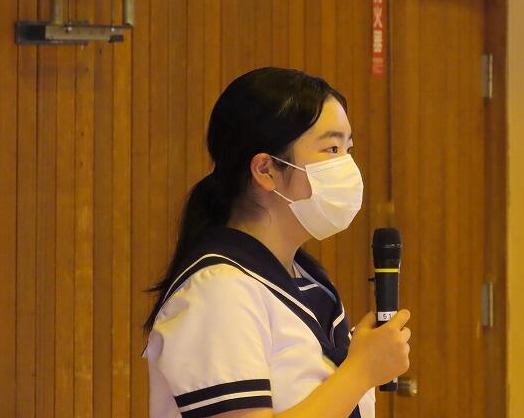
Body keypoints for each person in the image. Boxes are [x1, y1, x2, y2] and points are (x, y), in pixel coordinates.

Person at [143, 68, 411, 418]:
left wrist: (361, 364)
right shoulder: (218, 289)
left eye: (348, 149)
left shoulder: (307, 279)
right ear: (266, 170)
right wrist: (360, 372)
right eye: (331, 148)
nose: (346, 166)